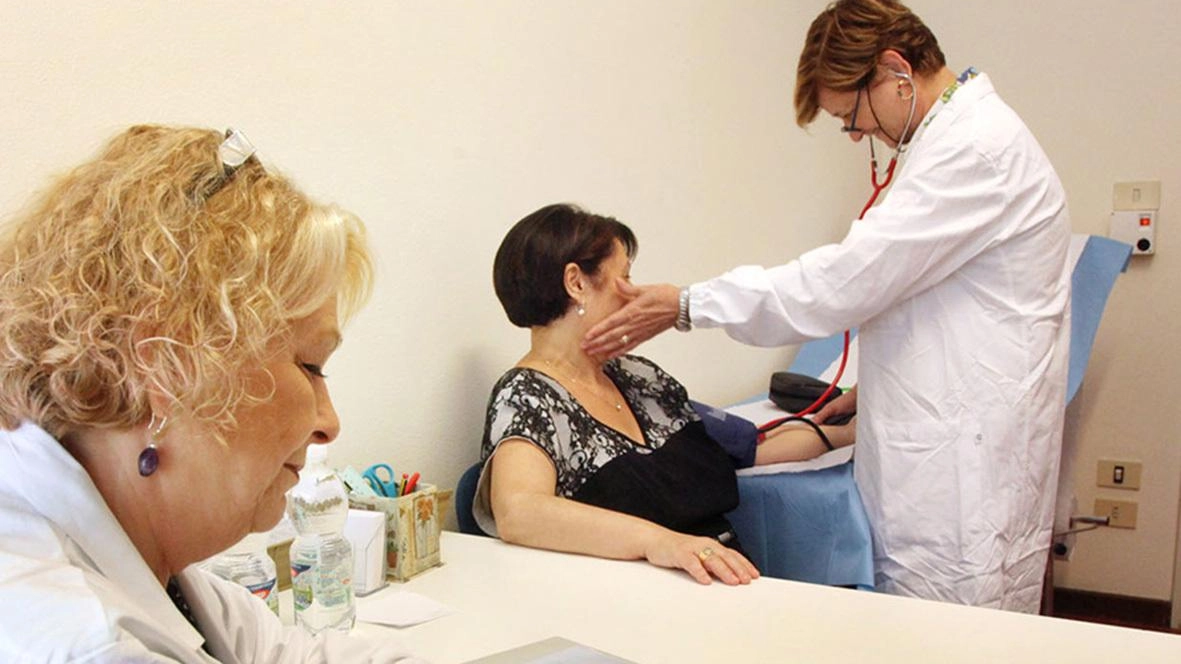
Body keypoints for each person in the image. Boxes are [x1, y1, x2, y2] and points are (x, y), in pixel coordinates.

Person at [583, 0, 1071, 613]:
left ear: (895, 70)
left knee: (955, 633)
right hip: (946, 439)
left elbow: (843, 282)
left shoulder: (975, 153)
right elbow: (949, 306)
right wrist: (875, 389)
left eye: (851, 115)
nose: (858, 135)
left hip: (962, 475)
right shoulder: (953, 143)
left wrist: (687, 304)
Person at [0, 125, 423, 662]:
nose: (328, 422)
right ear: (168, 364)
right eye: (311, 365)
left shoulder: (160, 574)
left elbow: (286, 655)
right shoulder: (85, 643)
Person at [473, 203, 854, 586]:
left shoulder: (638, 378)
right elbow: (519, 511)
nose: (634, 294)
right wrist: (660, 542)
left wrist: (852, 433)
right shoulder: (526, 396)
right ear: (576, 282)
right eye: (624, 277)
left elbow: (750, 447)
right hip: (641, 603)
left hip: (726, 581)